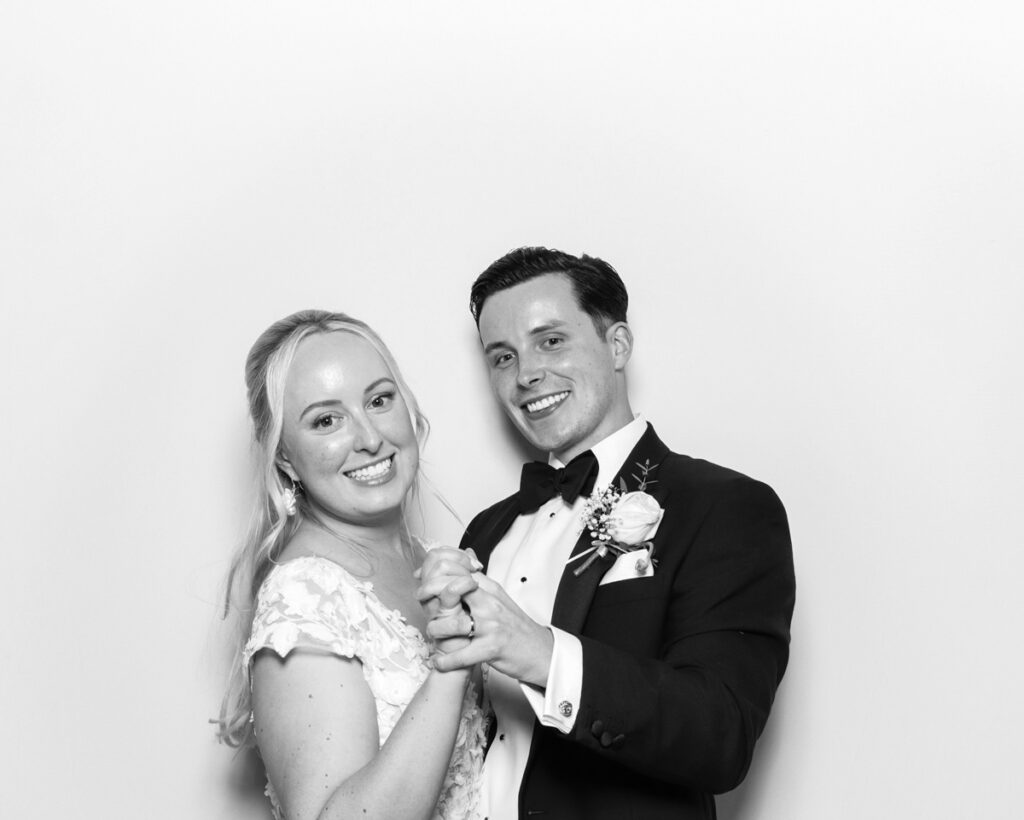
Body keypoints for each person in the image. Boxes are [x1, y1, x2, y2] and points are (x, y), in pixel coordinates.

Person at [418, 248, 796, 820]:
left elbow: (722, 735)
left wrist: (543, 655)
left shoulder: (725, 506)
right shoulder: (486, 529)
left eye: (551, 340)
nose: (526, 375)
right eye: (502, 357)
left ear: (617, 345)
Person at [217, 310, 486, 820]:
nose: (368, 437)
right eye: (325, 420)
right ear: (286, 460)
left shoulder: (431, 560)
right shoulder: (306, 595)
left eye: (379, 400)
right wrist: (449, 667)